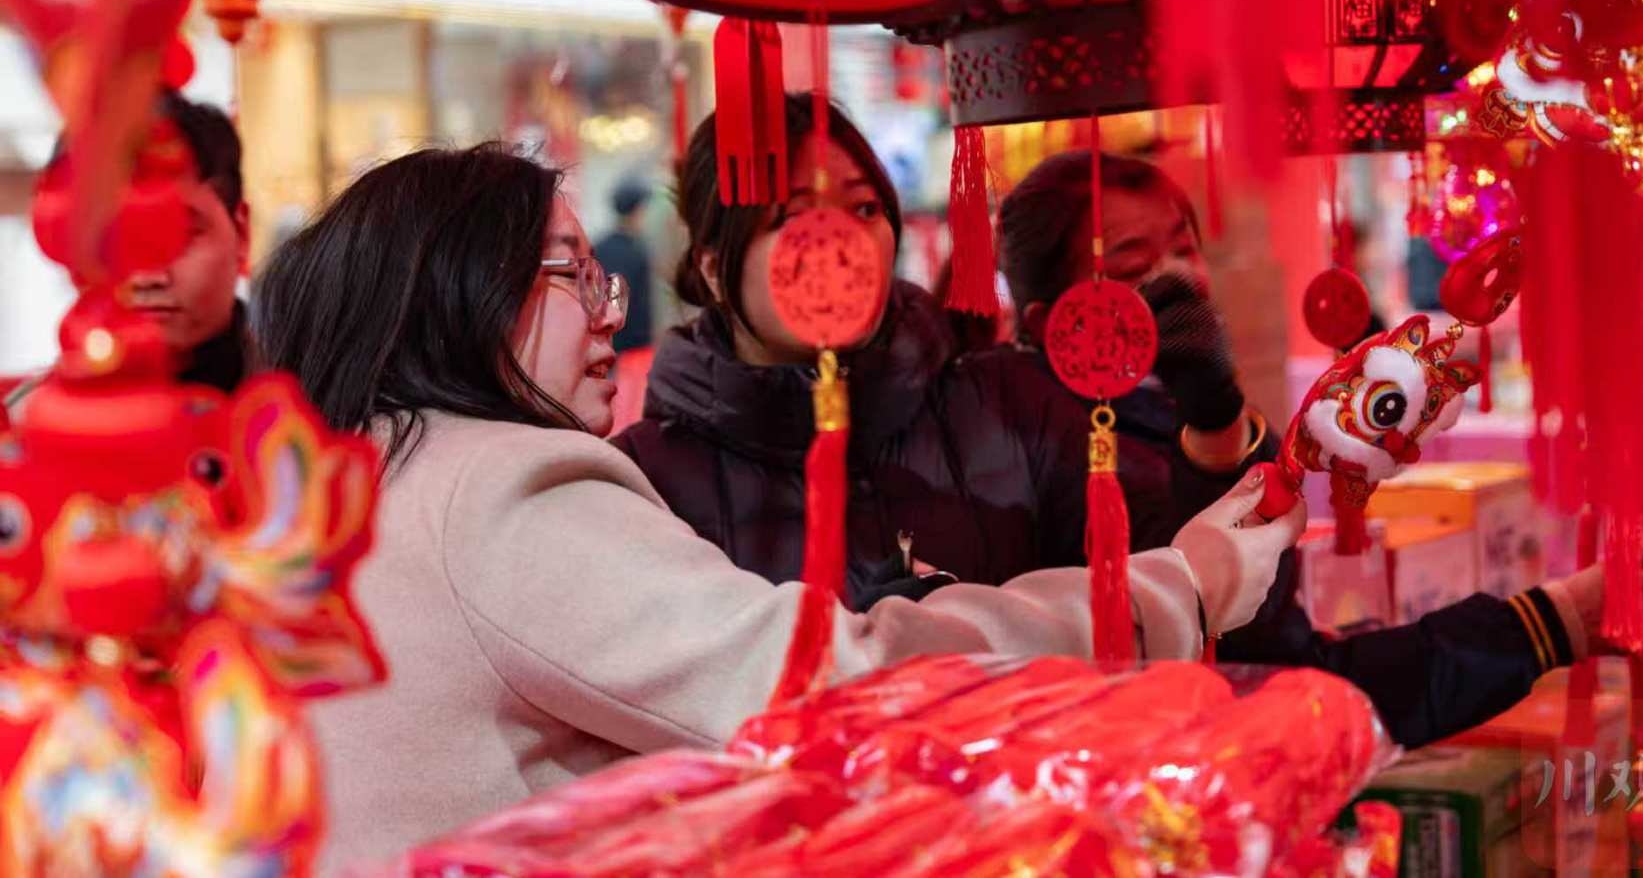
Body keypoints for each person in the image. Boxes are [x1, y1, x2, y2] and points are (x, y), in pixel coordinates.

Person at [252, 143, 1301, 872]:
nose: (610, 313)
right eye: (572, 272)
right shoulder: (500, 490)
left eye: (861, 209)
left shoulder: (347, 496)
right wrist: (1175, 585)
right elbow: (834, 686)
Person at [995, 149, 1643, 748]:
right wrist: (1554, 619)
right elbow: (1270, 678)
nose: (1181, 285)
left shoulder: (1175, 419)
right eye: (1134, 270)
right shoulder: (1066, 460)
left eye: (1184, 250)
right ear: (1047, 320)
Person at [614, 95, 1180, 609]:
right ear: (715, 269)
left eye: (864, 209)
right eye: (795, 218)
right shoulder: (644, 483)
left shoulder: (1013, 404)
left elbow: (1168, 585)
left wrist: (1211, 429)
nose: (843, 246)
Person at [5, 90, 252, 417]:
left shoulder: (304, 414)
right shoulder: (24, 424)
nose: (147, 277)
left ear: (242, 234)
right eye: (112, 241)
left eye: (178, 235)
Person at [594, 177, 654, 354]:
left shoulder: (597, 248)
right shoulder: (636, 254)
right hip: (631, 351)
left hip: (601, 343)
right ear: (637, 212)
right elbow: (640, 312)